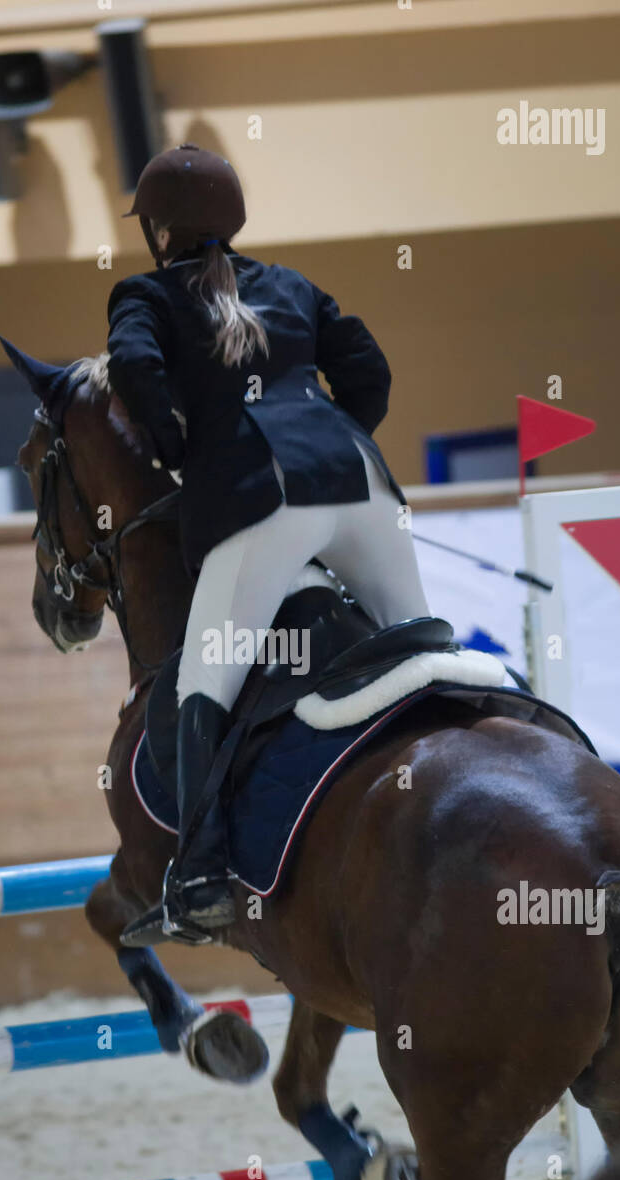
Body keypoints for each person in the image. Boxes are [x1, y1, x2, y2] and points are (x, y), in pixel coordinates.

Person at [106, 143, 430, 941]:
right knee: (422, 653)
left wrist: (183, 451)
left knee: (202, 687)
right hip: (362, 485)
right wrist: (333, 438)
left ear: (158, 230)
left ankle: (206, 875)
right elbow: (371, 372)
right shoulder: (291, 284)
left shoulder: (144, 295)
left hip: (265, 498)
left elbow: (133, 369)